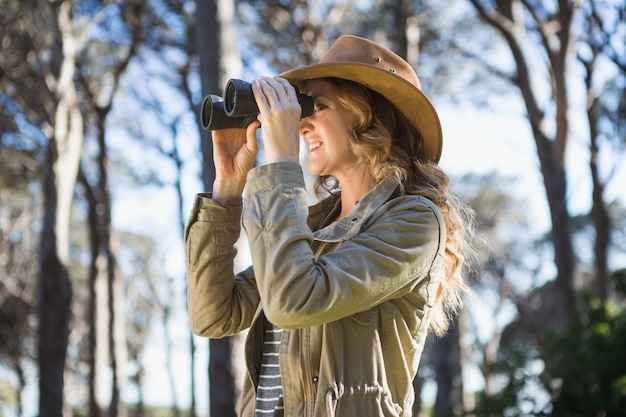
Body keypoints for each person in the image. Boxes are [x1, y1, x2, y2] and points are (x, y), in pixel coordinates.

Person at [185, 35, 475, 417]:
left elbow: (295, 300)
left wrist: (281, 162)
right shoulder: (313, 226)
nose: (301, 124)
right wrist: (228, 187)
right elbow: (213, 316)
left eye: (315, 106)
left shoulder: (416, 222)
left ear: (366, 114)